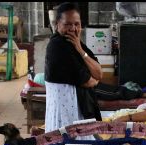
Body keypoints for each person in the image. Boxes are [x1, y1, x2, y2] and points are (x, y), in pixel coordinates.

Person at [44, 3, 103, 131]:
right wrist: (94, 78)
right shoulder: (57, 46)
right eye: (67, 24)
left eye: (76, 24)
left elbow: (99, 74)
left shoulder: (75, 43)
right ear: (57, 25)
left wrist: (80, 50)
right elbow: (89, 81)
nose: (73, 28)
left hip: (77, 112)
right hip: (65, 115)